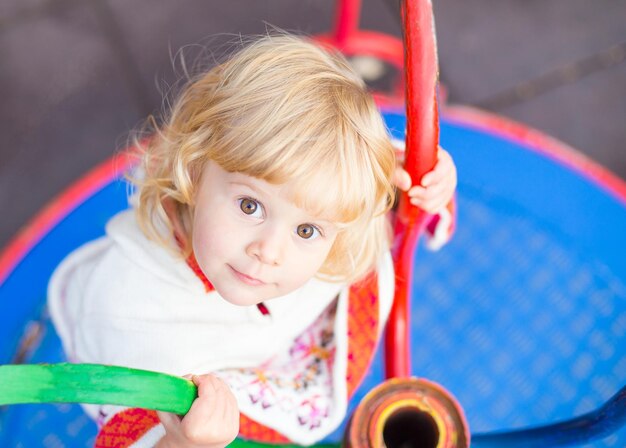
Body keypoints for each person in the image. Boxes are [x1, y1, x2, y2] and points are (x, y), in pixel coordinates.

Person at [48, 34, 457, 448]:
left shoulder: (306, 201)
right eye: (249, 206)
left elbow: (363, 188)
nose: (269, 251)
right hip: (182, 387)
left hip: (262, 339)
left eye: (306, 230)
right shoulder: (128, 313)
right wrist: (185, 443)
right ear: (193, 166)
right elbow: (130, 428)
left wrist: (427, 187)